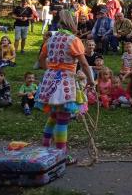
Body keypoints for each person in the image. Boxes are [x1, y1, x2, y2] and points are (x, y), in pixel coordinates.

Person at [36, 10, 95, 164]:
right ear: (71, 22)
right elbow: (83, 63)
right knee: (62, 119)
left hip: (50, 80)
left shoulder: (51, 40)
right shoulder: (73, 40)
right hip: (65, 82)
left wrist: (49, 69)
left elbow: (41, 59)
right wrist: (91, 80)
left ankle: (45, 147)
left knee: (53, 116)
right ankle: (61, 155)